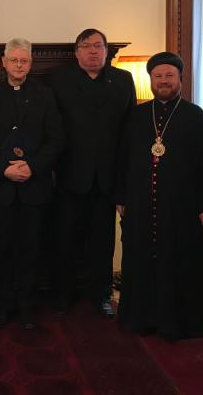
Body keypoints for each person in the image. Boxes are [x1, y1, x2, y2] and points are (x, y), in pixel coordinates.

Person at [115, 52, 203, 340]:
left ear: (180, 80)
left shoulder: (196, 117)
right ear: (151, 80)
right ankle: (140, 319)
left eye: (169, 76)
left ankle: (179, 323)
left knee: (179, 263)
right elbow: (122, 159)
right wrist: (121, 196)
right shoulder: (135, 116)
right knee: (140, 261)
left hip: (182, 208)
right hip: (140, 205)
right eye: (158, 76)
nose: (163, 81)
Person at [47, 28, 136, 316]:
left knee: (102, 241)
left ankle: (102, 295)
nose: (93, 51)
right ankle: (62, 295)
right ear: (76, 52)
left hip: (107, 177)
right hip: (69, 175)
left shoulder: (123, 80)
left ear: (107, 51)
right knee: (64, 239)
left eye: (98, 46)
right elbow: (50, 126)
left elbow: (129, 131)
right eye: (86, 46)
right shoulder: (58, 80)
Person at [0, 38, 63, 330]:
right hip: (0, 189)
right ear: (4, 62)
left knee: (30, 251)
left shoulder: (45, 96)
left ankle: (26, 307)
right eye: (13, 60)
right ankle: (1, 307)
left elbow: (56, 139)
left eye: (23, 61)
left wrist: (32, 167)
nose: (18, 65)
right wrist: (4, 169)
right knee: (0, 250)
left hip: (33, 188)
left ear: (30, 63)